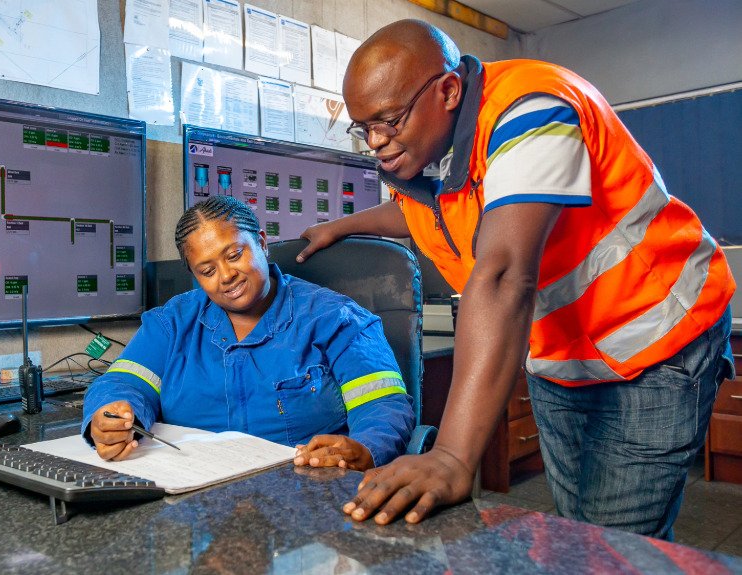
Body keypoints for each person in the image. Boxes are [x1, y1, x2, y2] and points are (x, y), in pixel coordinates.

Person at [296, 19, 735, 540]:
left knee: (615, 543)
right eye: (362, 127)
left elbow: (504, 274)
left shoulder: (532, 109)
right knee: (580, 530)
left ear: (449, 90)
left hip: (653, 337)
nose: (375, 142)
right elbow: (428, 214)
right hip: (562, 351)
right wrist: (340, 226)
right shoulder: (436, 156)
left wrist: (453, 455)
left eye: (388, 121)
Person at [81, 196, 416, 470]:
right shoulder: (172, 323)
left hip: (305, 498)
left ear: (261, 242)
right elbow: (121, 383)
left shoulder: (336, 319)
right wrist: (110, 416)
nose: (226, 276)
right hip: (194, 498)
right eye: (207, 270)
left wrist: (366, 449)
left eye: (235, 255)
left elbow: (383, 406)